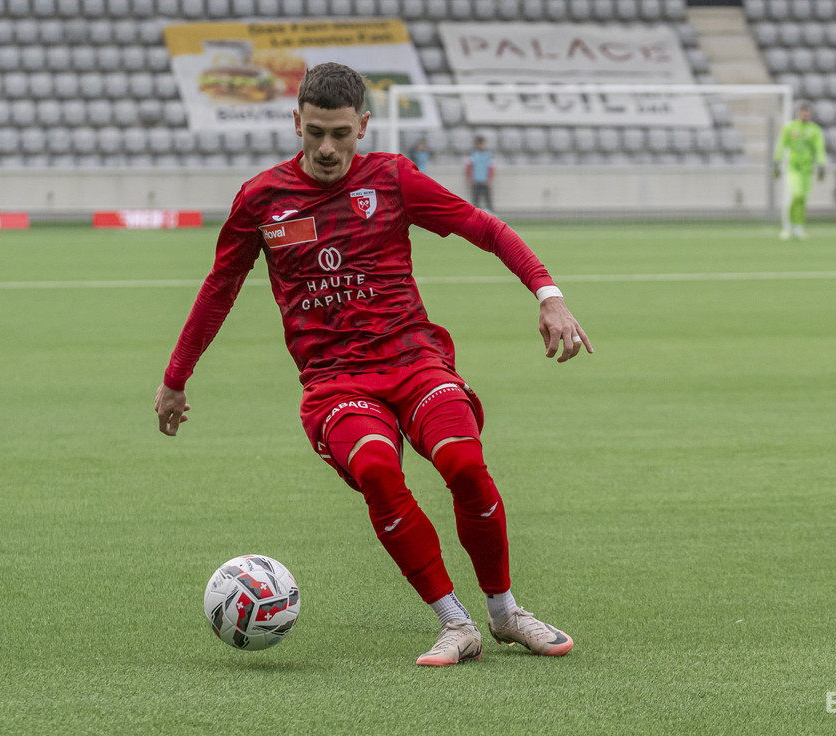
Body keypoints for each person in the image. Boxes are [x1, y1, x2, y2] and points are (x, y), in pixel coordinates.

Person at [155, 63, 592, 667]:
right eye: (315, 133)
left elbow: (484, 228)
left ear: (362, 126)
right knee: (379, 471)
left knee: (464, 463)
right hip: (334, 382)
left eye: (340, 134)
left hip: (414, 360)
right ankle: (455, 623)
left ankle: (504, 612)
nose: (327, 148)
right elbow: (219, 288)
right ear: (297, 123)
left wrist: (549, 295)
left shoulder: (392, 178)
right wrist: (176, 378)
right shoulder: (261, 200)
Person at [773, 102, 827, 240]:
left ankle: (799, 227)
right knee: (796, 195)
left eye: (807, 113)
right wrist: (777, 161)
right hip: (793, 168)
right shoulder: (790, 127)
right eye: (803, 112)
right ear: (798, 113)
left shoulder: (814, 130)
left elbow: (819, 148)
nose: (805, 115)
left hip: (807, 169)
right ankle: (788, 225)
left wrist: (821, 165)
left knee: (803, 198)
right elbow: (781, 144)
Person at [466, 136, 494, 212]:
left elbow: (491, 168)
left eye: (482, 144)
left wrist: (489, 179)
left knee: (487, 198)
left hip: (485, 180)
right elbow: (469, 168)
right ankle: (475, 213)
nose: (481, 145)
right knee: (475, 198)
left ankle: (491, 212)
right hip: (475, 180)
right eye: (480, 144)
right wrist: (470, 179)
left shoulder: (488, 155)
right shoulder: (472, 155)